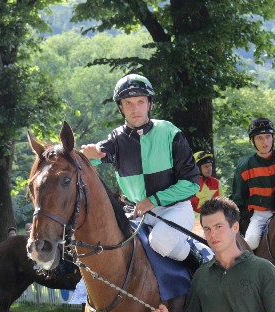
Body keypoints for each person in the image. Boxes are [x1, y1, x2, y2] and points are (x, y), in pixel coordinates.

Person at [80, 74, 200, 266]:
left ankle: (200, 264)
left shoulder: (170, 132)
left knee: (159, 241)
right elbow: (93, 160)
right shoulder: (116, 139)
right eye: (128, 103)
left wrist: (152, 200)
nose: (135, 108)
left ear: (150, 104)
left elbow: (191, 185)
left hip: (174, 209)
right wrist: (88, 156)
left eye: (140, 102)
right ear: (121, 107)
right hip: (136, 213)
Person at [230, 117, 275, 250]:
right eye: (259, 138)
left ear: (273, 138)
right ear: (252, 141)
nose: (265, 142)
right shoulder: (244, 166)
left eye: (268, 136)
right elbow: (238, 198)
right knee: (251, 243)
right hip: (260, 215)